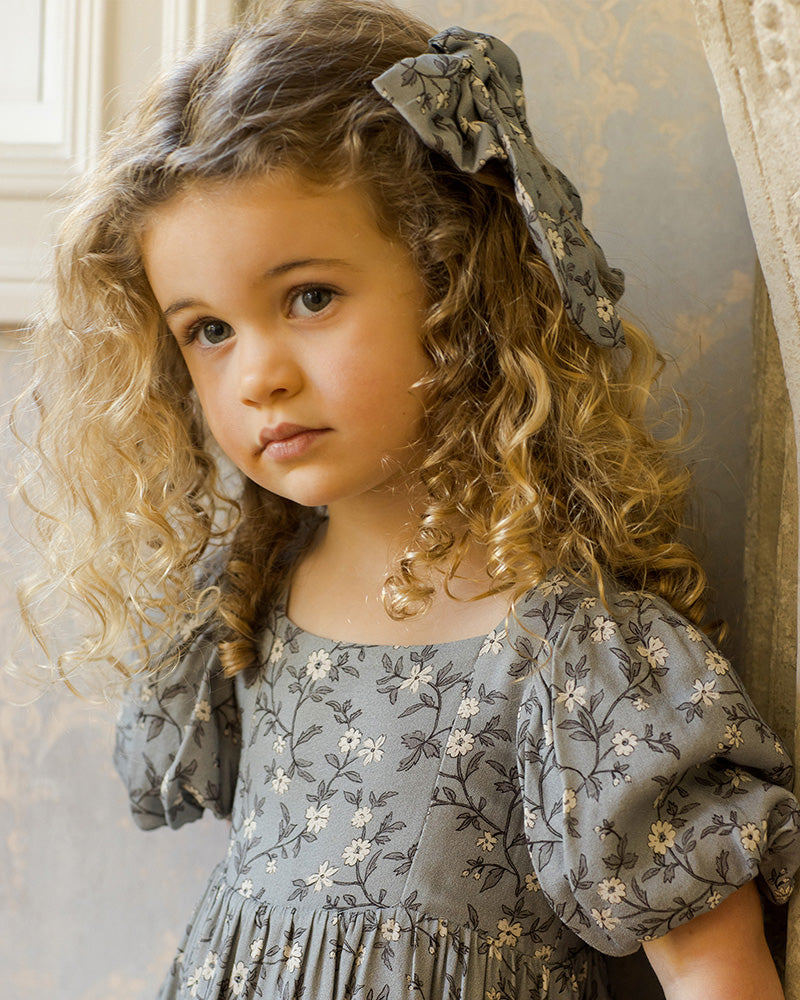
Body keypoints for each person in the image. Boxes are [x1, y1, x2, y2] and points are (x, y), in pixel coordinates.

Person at [16, 0, 800, 997]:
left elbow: (711, 976)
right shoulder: (245, 597)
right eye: (208, 329)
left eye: (308, 297)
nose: (258, 374)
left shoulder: (575, 656)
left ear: (454, 281)